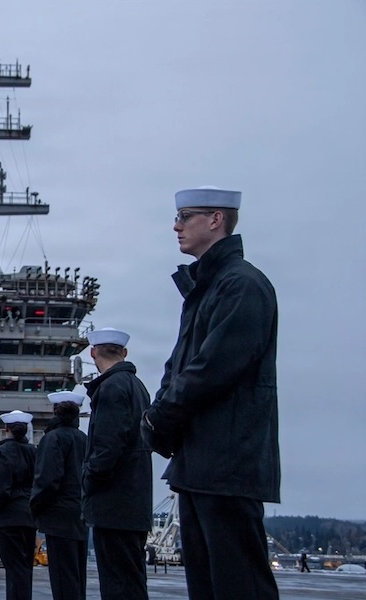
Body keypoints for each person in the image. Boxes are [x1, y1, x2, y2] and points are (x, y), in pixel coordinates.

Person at [141, 186, 280, 600]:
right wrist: (160, 415)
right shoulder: (208, 287)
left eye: (186, 216)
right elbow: (179, 366)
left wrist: (158, 417)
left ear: (216, 219)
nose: (176, 225)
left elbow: (212, 368)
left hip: (227, 461)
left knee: (239, 586)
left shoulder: (241, 285)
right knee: (208, 587)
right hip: (201, 461)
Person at [82, 327, 152, 600]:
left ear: (93, 353)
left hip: (113, 503)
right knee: (132, 580)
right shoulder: (137, 386)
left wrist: (89, 480)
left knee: (116, 583)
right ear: (124, 353)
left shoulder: (110, 387)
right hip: (134, 499)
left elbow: (107, 447)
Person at [31, 391, 89, 600]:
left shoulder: (52, 439)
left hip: (58, 515)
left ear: (55, 412)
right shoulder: (84, 439)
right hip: (81, 513)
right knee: (77, 575)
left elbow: (47, 480)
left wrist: (35, 508)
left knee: (63, 577)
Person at [0, 410, 37, 600]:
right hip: (29, 515)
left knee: (13, 568)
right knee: (25, 566)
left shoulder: (1, 452)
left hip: (8, 516)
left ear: (7, 429)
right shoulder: (33, 451)